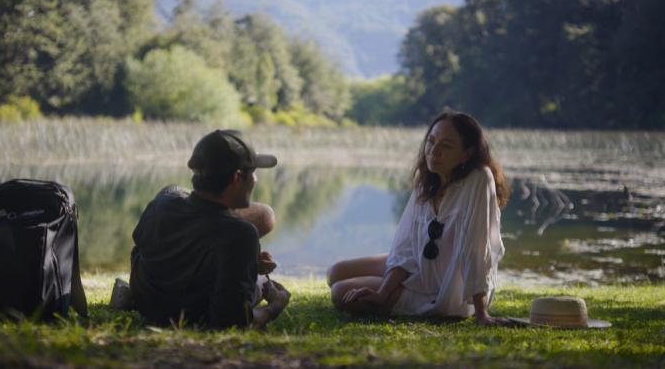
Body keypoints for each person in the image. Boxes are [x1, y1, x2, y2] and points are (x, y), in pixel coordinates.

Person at [326, 111, 512, 326]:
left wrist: (481, 313)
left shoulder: (479, 178)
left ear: (467, 154)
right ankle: (387, 294)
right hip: (419, 264)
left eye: (446, 146)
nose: (434, 151)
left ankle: (411, 299)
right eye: (431, 142)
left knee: (339, 291)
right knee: (336, 272)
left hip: (448, 288)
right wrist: (382, 293)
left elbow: (478, 247)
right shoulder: (428, 181)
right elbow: (406, 247)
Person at [129, 129, 290, 329]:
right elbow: (232, 325)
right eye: (253, 172)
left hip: (147, 304)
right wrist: (275, 306)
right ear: (237, 178)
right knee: (258, 285)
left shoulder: (165, 198)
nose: (256, 179)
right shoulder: (240, 233)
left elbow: (142, 245)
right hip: (188, 317)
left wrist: (247, 262)